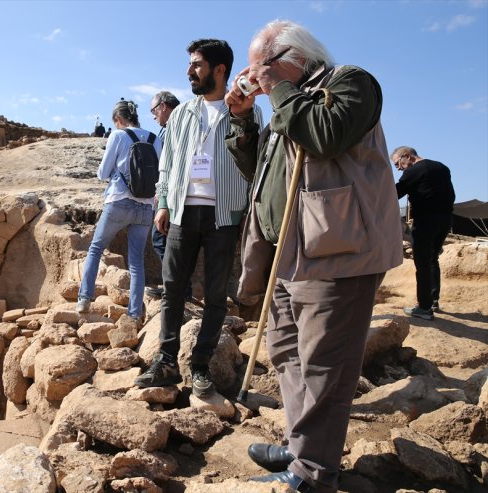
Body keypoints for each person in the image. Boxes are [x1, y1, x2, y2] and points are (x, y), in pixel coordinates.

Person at [223, 20, 402, 492]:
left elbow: (324, 136)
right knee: (286, 353)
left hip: (336, 251)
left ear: (294, 57)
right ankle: (305, 446)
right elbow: (262, 171)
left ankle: (312, 474)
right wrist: (242, 120)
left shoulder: (349, 82)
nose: (253, 75)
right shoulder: (288, 102)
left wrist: (276, 88)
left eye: (259, 63)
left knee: (324, 365)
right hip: (288, 252)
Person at [134, 39, 256, 399]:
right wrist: (163, 203)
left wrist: (243, 115)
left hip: (225, 213)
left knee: (217, 295)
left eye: (197, 65)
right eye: (190, 64)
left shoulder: (247, 112)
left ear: (220, 70)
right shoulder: (183, 113)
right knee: (173, 288)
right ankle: (166, 360)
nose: (190, 71)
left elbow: (254, 162)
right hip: (184, 210)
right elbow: (168, 162)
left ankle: (200, 364)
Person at [75, 100, 160, 322]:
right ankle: (134, 314)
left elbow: (103, 173)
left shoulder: (118, 135)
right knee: (136, 261)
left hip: (119, 202)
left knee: (95, 248)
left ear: (118, 120)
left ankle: (84, 299)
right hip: (145, 206)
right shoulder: (154, 139)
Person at [392, 146, 455, 320]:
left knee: (423, 264)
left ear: (407, 156)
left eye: (398, 163)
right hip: (445, 219)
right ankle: (433, 300)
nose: (398, 168)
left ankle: (424, 308)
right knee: (433, 259)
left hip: (425, 221)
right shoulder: (441, 167)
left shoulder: (414, 171)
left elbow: (394, 193)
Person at [144, 90, 182, 299]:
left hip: (173, 196)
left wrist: (163, 198)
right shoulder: (173, 127)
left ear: (163, 106)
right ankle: (177, 289)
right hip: (175, 195)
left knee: (160, 239)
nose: (153, 116)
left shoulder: (175, 127)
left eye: (153, 110)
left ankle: (175, 290)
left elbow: (169, 165)